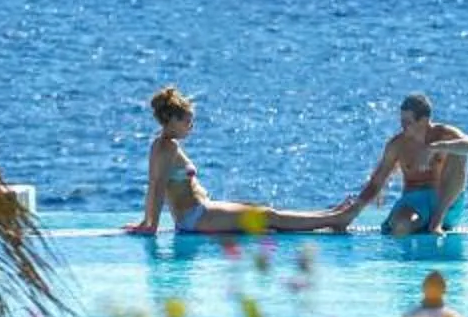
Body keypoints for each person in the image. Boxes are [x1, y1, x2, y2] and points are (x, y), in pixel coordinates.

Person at [121, 86, 363, 236]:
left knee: (266, 211)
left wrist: (148, 221)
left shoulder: (163, 145)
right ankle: (335, 219)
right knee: (267, 216)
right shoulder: (166, 147)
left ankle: (329, 214)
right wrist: (149, 224)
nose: (191, 127)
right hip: (195, 217)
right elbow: (156, 186)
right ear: (172, 120)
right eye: (187, 122)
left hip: (199, 213)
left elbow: (157, 185)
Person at [342, 93, 468, 234]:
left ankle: (436, 221)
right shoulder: (397, 144)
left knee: (459, 150)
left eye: (408, 122)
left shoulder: (444, 134)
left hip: (445, 204)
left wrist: (435, 147)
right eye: (401, 121)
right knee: (401, 226)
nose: (403, 126)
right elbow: (376, 182)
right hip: (414, 204)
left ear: (424, 121)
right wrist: (353, 210)